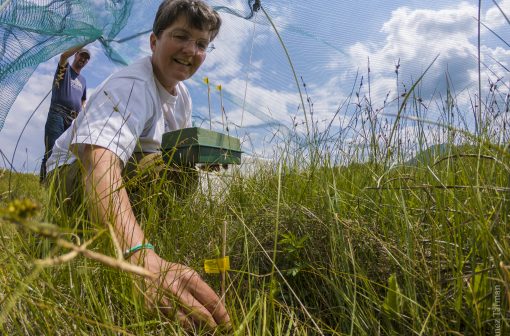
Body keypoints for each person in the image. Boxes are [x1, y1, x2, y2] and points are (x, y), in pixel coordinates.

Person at [44, 0, 230, 330]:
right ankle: (108, 242)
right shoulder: (133, 84)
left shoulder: (182, 96)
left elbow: (174, 154)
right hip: (66, 178)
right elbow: (96, 160)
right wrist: (139, 257)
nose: (191, 50)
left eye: (202, 44)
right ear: (154, 42)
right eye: (181, 36)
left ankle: (133, 234)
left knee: (179, 168)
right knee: (157, 168)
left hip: (113, 175)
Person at [39, 46, 90, 182]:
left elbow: (83, 98)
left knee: (64, 155)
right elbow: (63, 56)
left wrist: (82, 111)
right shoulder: (65, 69)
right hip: (57, 113)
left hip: (73, 120)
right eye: (81, 55)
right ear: (76, 55)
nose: (83, 59)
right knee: (51, 152)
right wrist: (83, 43)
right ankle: (43, 186)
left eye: (86, 58)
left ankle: (56, 186)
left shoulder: (83, 80)